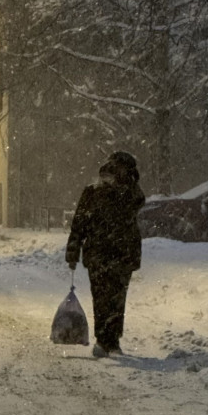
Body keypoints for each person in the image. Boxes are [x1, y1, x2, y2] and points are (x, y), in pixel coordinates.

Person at [66, 151, 145, 358]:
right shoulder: (94, 193)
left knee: (114, 298)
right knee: (105, 297)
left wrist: (74, 251)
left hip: (117, 254)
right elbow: (79, 224)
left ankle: (111, 341)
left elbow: (137, 201)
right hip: (105, 254)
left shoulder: (129, 193)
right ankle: (105, 341)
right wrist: (72, 252)